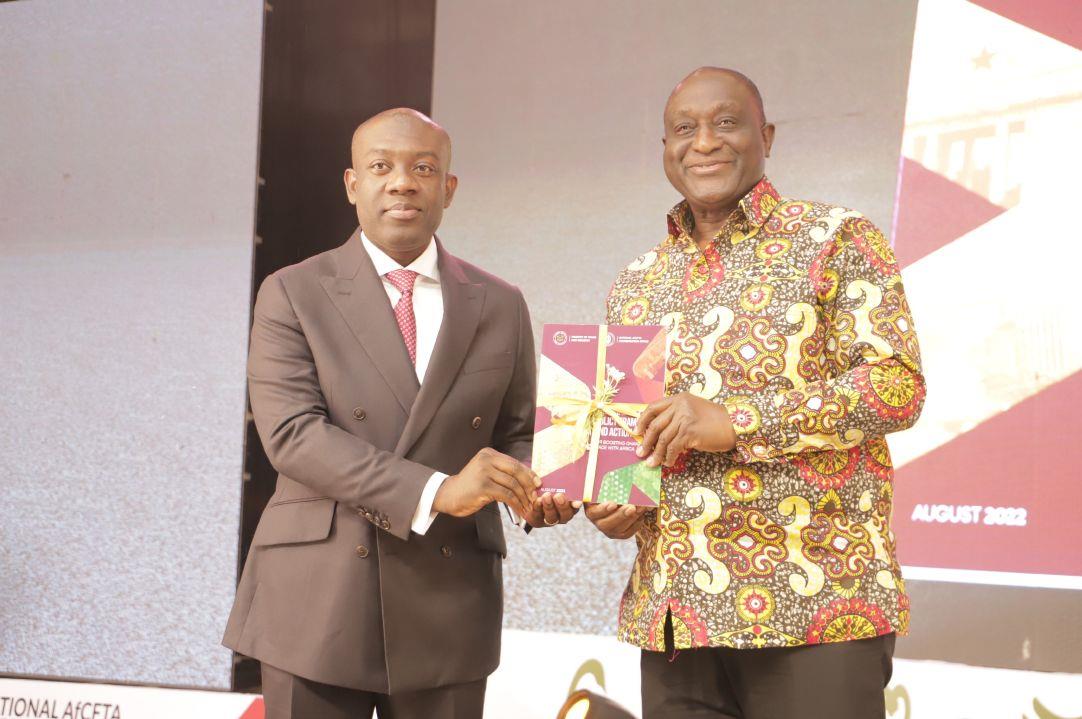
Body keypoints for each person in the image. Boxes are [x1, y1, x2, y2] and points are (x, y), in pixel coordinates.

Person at [587, 68, 926, 718]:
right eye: (684, 128)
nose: (704, 142)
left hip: (815, 608)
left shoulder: (835, 239)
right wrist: (614, 500)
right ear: (664, 147)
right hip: (675, 618)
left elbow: (896, 385)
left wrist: (736, 420)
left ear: (765, 134)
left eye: (726, 122)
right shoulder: (637, 281)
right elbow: (625, 449)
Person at [223, 108, 576, 719]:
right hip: (317, 597)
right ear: (352, 184)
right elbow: (293, 436)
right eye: (381, 167)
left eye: (423, 167)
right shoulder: (292, 291)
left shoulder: (500, 303)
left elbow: (518, 433)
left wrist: (542, 487)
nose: (402, 182)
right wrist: (438, 490)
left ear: (449, 188)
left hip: (449, 599)